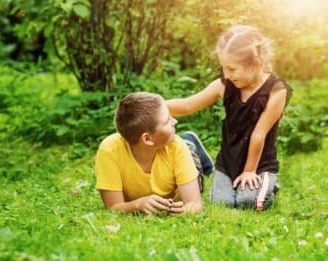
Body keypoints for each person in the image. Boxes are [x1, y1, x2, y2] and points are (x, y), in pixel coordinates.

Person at [166, 25, 292, 211]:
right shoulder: (224, 85)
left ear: (255, 63)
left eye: (231, 69)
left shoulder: (276, 90)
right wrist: (153, 103)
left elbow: (258, 134)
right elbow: (187, 105)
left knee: (249, 203)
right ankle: (200, 156)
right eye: (224, 68)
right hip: (229, 162)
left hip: (259, 164)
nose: (226, 74)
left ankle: (269, 182)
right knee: (221, 203)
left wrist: (249, 171)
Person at [95, 92, 213, 215]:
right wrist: (138, 205)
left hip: (182, 154)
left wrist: (183, 211)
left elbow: (194, 203)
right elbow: (113, 207)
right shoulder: (109, 151)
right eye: (167, 120)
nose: (175, 121)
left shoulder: (177, 147)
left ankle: (191, 143)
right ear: (147, 139)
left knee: (192, 162)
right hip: (171, 154)